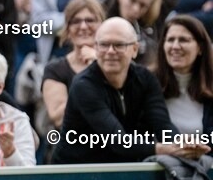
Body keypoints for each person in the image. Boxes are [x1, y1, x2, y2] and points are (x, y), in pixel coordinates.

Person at [52, 17, 209, 163]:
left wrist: (183, 145)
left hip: (119, 173)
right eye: (104, 45)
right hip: (73, 173)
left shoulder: (146, 79)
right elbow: (117, 140)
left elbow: (162, 125)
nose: (110, 51)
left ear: (134, 49)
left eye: (119, 45)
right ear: (96, 48)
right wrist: (167, 149)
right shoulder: (84, 86)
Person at [41, 0, 105, 132]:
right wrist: (93, 73)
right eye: (75, 21)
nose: (83, 26)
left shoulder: (116, 65)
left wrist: (101, 65)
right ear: (67, 30)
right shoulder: (55, 70)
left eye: (90, 20)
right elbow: (59, 118)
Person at [155, 15, 213, 138]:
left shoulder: (210, 85)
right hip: (159, 155)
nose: (175, 46)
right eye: (170, 40)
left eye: (183, 40)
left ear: (200, 48)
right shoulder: (148, 83)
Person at [104, 0, 164, 68]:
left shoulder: (146, 29)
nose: (136, 9)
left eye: (143, 5)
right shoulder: (102, 15)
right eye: (132, 0)